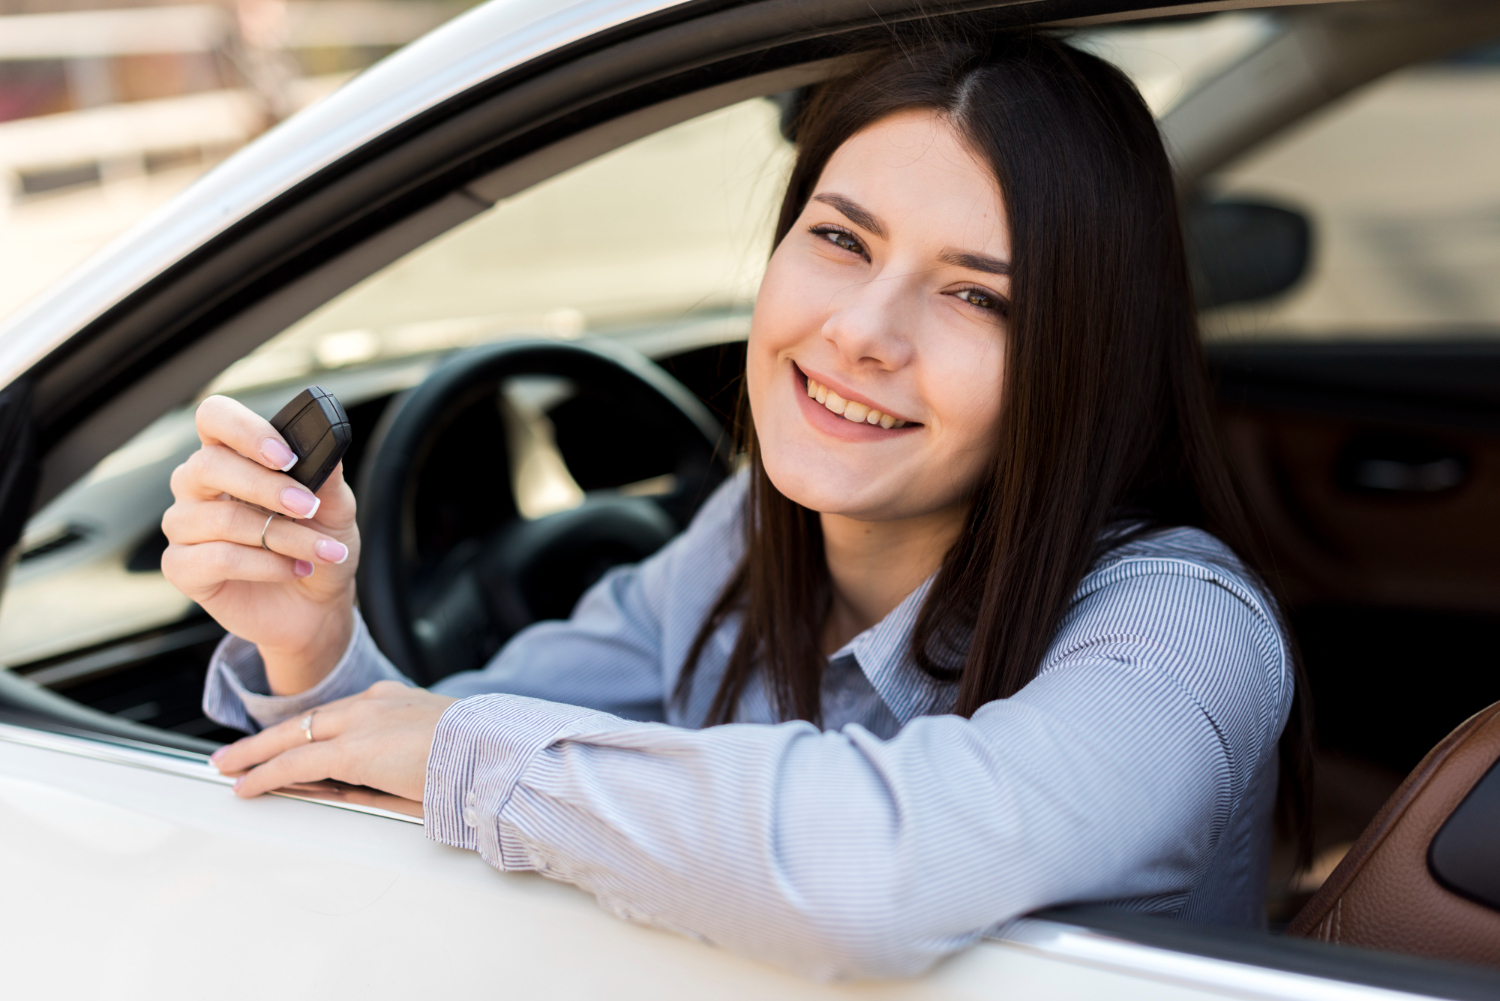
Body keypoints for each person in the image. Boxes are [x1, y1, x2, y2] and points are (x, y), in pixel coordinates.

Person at [161, 29, 1298, 981]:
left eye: (976, 296)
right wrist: (310, 641)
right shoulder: (743, 536)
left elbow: (875, 874)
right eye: (841, 239)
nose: (862, 330)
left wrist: (462, 751)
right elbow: (428, 771)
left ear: (1084, 361)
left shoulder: (1186, 629)